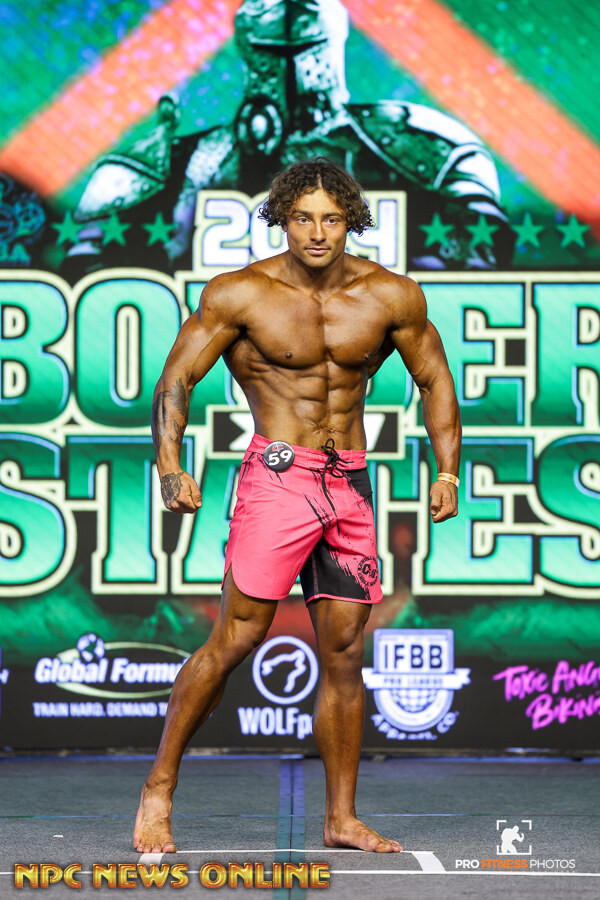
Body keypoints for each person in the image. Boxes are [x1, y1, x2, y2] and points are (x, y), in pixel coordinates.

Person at [133, 156, 461, 855]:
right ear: (283, 218)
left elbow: (434, 378)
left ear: (352, 222)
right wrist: (169, 465)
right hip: (278, 479)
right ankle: (158, 787)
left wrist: (448, 473)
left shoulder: (390, 295)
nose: (317, 232)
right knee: (236, 639)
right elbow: (176, 378)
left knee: (344, 650)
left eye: (332, 219)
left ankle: (341, 819)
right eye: (304, 218)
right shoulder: (241, 294)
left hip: (349, 486)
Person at [64, 0, 513, 279]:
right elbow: (91, 278)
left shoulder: (417, 143)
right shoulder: (179, 161)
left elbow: (476, 270)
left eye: (301, 53)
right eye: (273, 54)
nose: (289, 70)